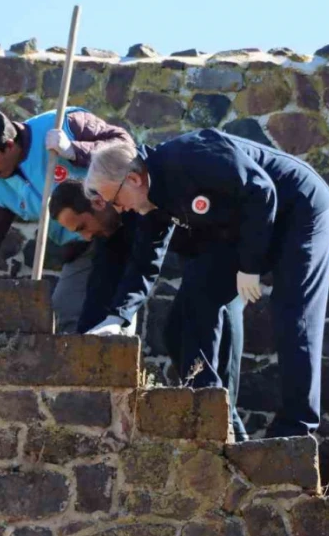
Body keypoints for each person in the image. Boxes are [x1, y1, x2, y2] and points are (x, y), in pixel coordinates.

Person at [83, 129, 329, 438]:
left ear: (133, 180)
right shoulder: (151, 201)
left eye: (115, 200)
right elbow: (145, 261)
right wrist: (117, 317)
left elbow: (261, 189)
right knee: (190, 308)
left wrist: (250, 266)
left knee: (293, 315)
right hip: (245, 228)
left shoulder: (191, 156)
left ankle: (295, 429)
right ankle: (218, 419)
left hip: (299, 209)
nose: (119, 209)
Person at [50, 179, 248, 441]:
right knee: (175, 335)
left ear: (98, 203)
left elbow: (143, 268)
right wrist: (88, 346)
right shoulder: (111, 234)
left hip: (224, 252)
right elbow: (100, 289)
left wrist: (118, 317)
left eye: (84, 226)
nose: (86, 237)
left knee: (209, 360)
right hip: (197, 264)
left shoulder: (142, 205)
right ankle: (227, 435)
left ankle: (232, 439)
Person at [0, 104, 130, 333]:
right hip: (80, 248)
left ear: (8, 146)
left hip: (117, 228)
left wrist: (75, 151)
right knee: (64, 315)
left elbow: (125, 147)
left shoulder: (63, 123)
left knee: (114, 314)